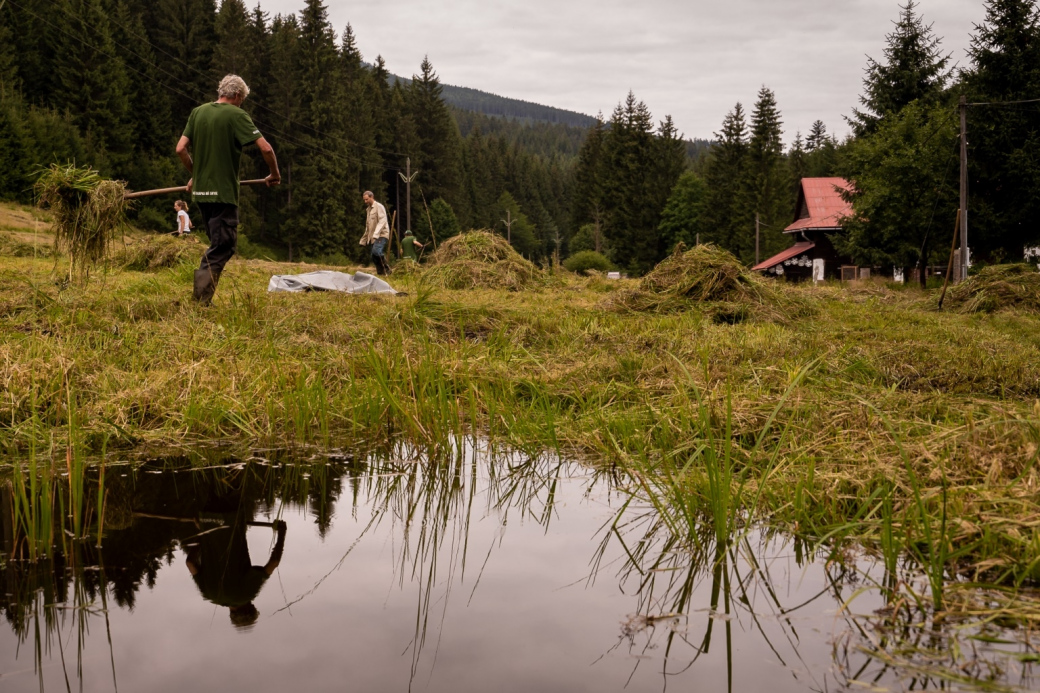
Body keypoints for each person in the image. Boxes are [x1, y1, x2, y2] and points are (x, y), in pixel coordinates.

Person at [176, 74, 280, 305]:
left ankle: (202, 300)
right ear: (237, 96)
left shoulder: (198, 112)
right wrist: (274, 173)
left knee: (217, 244)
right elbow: (266, 148)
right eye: (242, 100)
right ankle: (200, 302)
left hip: (201, 194)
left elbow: (181, 149)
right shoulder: (236, 114)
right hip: (222, 193)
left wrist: (196, 175)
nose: (241, 104)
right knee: (223, 246)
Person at [185, 517, 287, 630]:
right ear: (231, 613)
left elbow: (274, 562)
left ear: (251, 607)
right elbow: (190, 563)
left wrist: (282, 532)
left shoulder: (247, 594)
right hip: (207, 520)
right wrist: (203, 531)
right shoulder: (209, 595)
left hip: (234, 519)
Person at [359, 190, 391, 276]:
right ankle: (380, 273)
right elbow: (368, 226)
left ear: (371, 197)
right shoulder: (368, 210)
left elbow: (382, 221)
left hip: (382, 234)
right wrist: (363, 240)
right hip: (373, 236)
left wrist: (376, 234)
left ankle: (387, 269)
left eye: (367, 199)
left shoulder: (379, 207)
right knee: (373, 256)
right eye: (364, 200)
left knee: (376, 251)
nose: (365, 202)